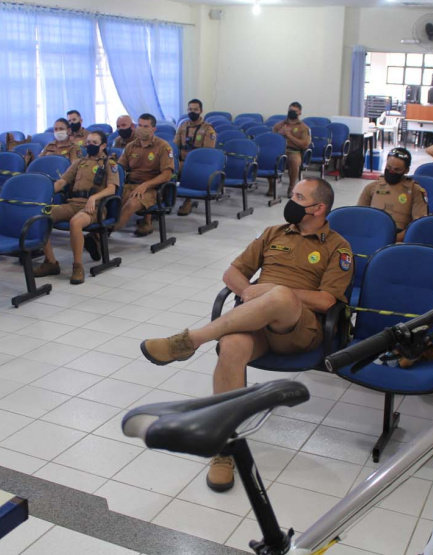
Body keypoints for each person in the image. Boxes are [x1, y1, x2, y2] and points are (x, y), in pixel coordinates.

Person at [139, 178, 352, 492]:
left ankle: (191, 340)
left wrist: (276, 292)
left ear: (318, 208)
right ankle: (225, 448)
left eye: (298, 196)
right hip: (256, 322)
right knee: (232, 345)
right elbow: (232, 274)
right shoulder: (273, 234)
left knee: (280, 296)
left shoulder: (338, 246)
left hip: (298, 329)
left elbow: (326, 300)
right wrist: (252, 291)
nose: (290, 200)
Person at [33, 131, 118, 284]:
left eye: (94, 143)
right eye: (88, 142)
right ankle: (51, 262)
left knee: (76, 222)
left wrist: (94, 197)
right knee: (41, 214)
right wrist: (43, 193)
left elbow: (112, 189)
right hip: (72, 203)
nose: (89, 145)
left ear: (103, 146)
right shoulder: (79, 162)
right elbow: (62, 182)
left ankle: (77, 266)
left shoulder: (109, 164)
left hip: (95, 207)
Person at [113, 114, 175, 237]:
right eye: (139, 125)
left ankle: (103, 233)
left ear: (153, 129)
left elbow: (167, 175)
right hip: (131, 185)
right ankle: (99, 231)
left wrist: (145, 185)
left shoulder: (163, 147)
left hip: (152, 189)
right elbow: (120, 168)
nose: (141, 129)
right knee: (111, 200)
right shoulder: (131, 146)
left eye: (145, 126)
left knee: (131, 204)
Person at [356, 147, 427, 241]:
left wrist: (395, 239)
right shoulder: (372, 187)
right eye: (388, 167)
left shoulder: (416, 190)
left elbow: (418, 224)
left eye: (397, 170)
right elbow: (359, 215)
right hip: (372, 233)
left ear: (406, 170)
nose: (391, 172)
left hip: (399, 237)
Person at [175, 99, 217, 216]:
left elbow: (207, 152)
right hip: (182, 160)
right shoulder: (183, 126)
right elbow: (175, 145)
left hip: (198, 164)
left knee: (184, 170)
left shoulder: (208, 129)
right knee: (167, 168)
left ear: (201, 111)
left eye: (195, 110)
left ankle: (187, 201)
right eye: (190, 109)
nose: (192, 112)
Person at [272, 102, 312, 194]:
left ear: (300, 113)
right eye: (290, 110)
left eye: (295, 111)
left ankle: (291, 187)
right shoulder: (279, 125)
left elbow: (305, 144)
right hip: (280, 150)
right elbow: (271, 141)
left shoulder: (304, 128)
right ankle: (271, 187)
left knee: (294, 161)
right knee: (269, 158)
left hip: (294, 151)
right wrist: (279, 134)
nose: (292, 112)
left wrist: (289, 135)